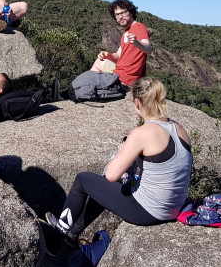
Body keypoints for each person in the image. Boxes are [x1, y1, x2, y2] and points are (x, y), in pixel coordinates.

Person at [45, 78, 192, 253]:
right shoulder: (178, 128)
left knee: (83, 181)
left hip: (148, 210)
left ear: (137, 103)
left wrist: (124, 150)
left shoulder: (142, 133)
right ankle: (71, 237)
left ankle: (56, 239)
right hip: (174, 208)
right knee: (101, 188)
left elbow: (111, 175)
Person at [90, 0, 153, 86]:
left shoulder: (139, 27)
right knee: (100, 61)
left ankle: (89, 87)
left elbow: (148, 48)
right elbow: (118, 56)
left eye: (123, 13)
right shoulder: (126, 33)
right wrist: (107, 55)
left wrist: (136, 42)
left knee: (97, 65)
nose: (120, 17)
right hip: (120, 71)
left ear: (130, 12)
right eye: (117, 15)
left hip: (126, 77)